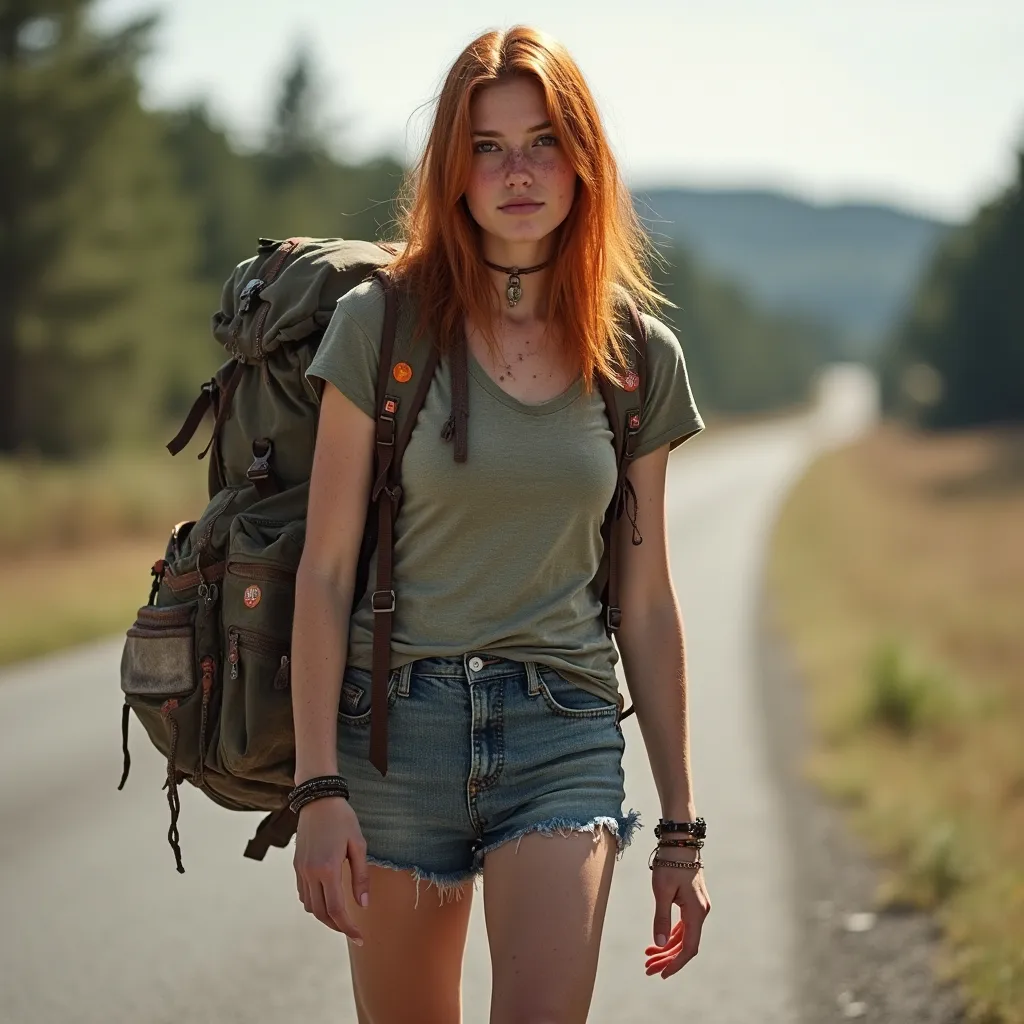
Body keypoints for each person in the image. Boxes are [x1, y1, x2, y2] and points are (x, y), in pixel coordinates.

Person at [290, 23, 711, 1023]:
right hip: (394, 727)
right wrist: (316, 788)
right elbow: (325, 569)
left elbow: (646, 603)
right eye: (487, 145)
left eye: (541, 141)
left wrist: (681, 831)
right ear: (452, 168)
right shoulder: (379, 327)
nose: (516, 171)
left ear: (582, 161)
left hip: (558, 729)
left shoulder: (638, 357)